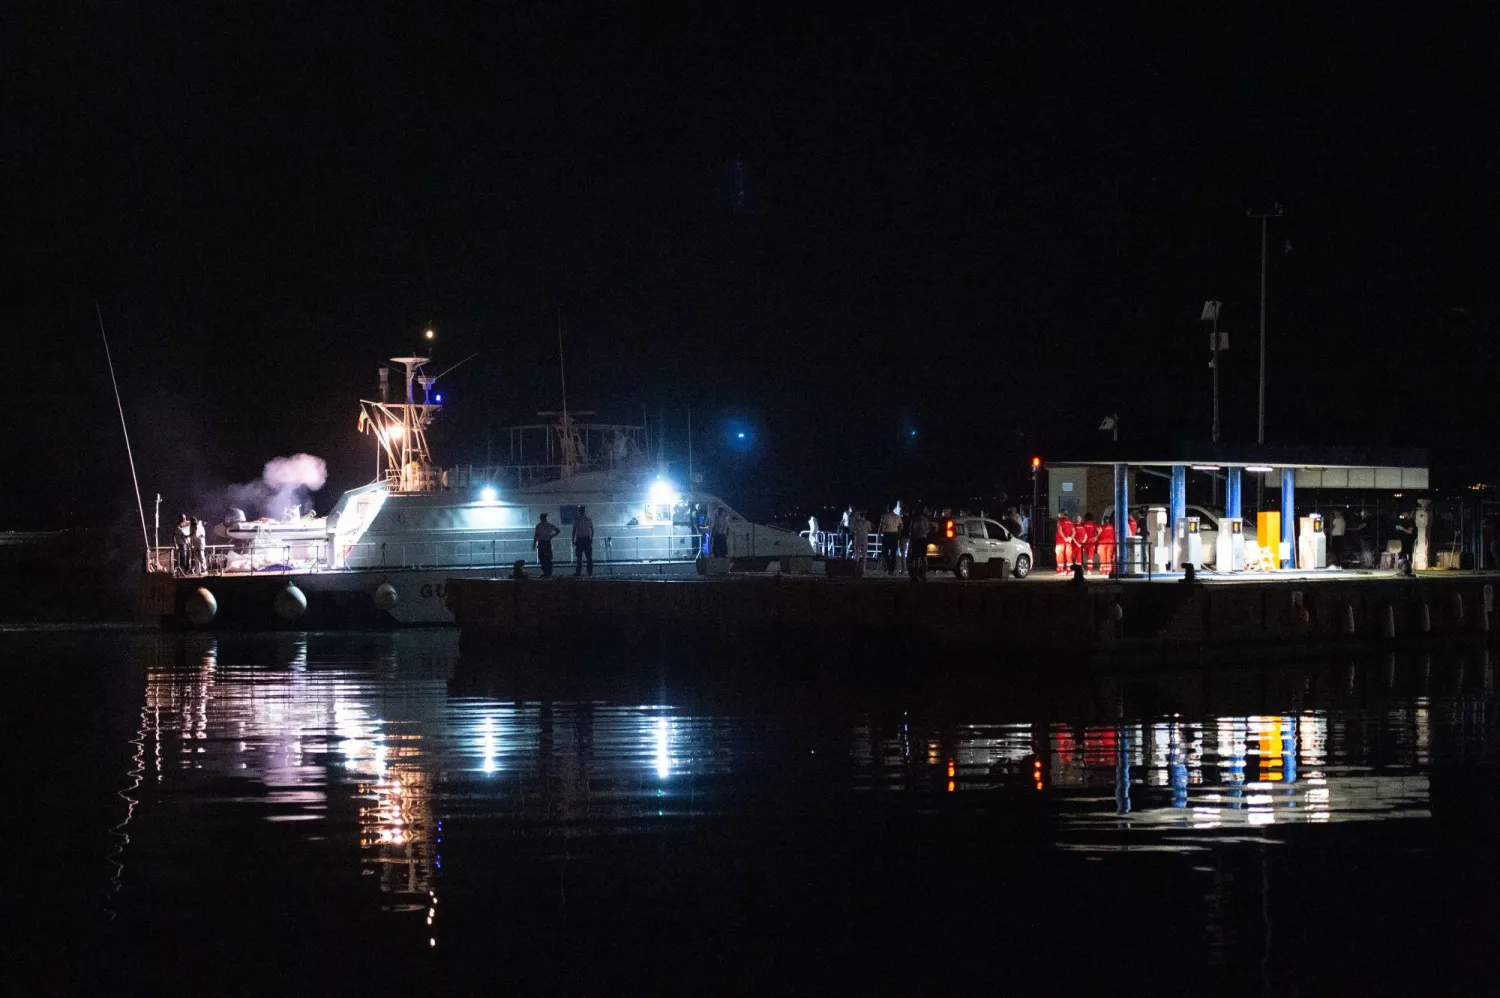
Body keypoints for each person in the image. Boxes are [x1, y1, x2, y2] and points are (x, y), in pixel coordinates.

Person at [532, 512, 560, 576]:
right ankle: (549, 572)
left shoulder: (538, 525)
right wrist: (552, 536)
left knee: (542, 558)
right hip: (547, 542)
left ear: (541, 518)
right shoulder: (549, 525)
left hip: (541, 542)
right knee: (548, 558)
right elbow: (558, 530)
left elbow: (536, 535)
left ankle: (545, 572)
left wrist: (534, 544)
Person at [907, 508, 931, 581]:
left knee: (916, 558)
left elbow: (912, 530)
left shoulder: (915, 520)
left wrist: (911, 538)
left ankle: (916, 576)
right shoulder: (926, 520)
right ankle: (924, 576)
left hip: (917, 539)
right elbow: (928, 530)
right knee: (924, 558)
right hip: (924, 539)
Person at [878, 505, 902, 573]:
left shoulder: (885, 516)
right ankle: (892, 568)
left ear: (888, 508)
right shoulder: (897, 516)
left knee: (885, 552)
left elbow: (881, 525)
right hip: (894, 535)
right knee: (893, 553)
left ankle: (890, 566)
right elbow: (900, 525)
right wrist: (899, 534)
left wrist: (879, 534)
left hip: (887, 535)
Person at [572, 505, 595, 575]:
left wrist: (573, 540)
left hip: (581, 539)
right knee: (587, 557)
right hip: (584, 539)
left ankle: (580, 572)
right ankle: (589, 572)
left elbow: (574, 530)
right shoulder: (588, 520)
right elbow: (592, 530)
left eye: (581, 510)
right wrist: (591, 539)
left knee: (581, 557)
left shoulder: (577, 520)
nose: (581, 511)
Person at [1394, 511, 1415, 576]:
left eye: (1404, 513)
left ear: (1407, 514)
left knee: (1409, 554)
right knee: (1402, 554)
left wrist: (1402, 528)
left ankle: (1409, 569)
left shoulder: (1411, 521)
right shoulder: (1402, 520)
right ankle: (1402, 568)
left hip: (1409, 541)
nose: (1403, 514)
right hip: (1402, 541)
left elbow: (1409, 532)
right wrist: (1397, 528)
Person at [850, 509, 870, 576]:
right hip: (865, 539)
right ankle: (863, 569)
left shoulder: (856, 522)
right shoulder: (867, 522)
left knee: (857, 554)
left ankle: (856, 567)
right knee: (864, 555)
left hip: (858, 538)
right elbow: (870, 529)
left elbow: (853, 530)